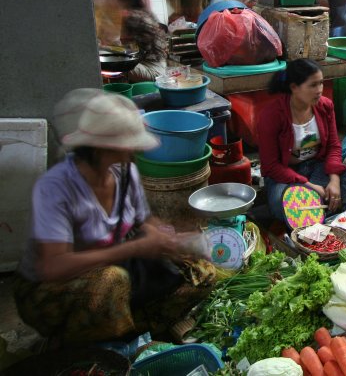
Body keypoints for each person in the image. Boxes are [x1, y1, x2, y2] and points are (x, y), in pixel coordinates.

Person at [14, 90, 215, 346]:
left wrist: (171, 241)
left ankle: (131, 329)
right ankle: (89, 345)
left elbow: (144, 221)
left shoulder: (125, 171)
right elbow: (53, 266)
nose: (132, 150)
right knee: (110, 280)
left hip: (117, 263)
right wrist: (133, 248)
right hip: (51, 288)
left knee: (201, 270)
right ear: (100, 148)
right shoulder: (55, 188)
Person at [253, 59, 346, 225]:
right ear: (294, 88)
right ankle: (323, 211)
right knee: (278, 204)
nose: (319, 90)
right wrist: (311, 186)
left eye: (321, 83)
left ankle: (313, 212)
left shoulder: (325, 106)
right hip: (286, 175)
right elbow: (271, 166)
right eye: (313, 85)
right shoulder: (272, 115)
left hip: (318, 168)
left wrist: (334, 181)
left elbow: (333, 146)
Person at [110, 0, 167, 82]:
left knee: (111, 65)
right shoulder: (144, 11)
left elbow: (122, 47)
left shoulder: (130, 16)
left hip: (153, 70)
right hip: (160, 65)